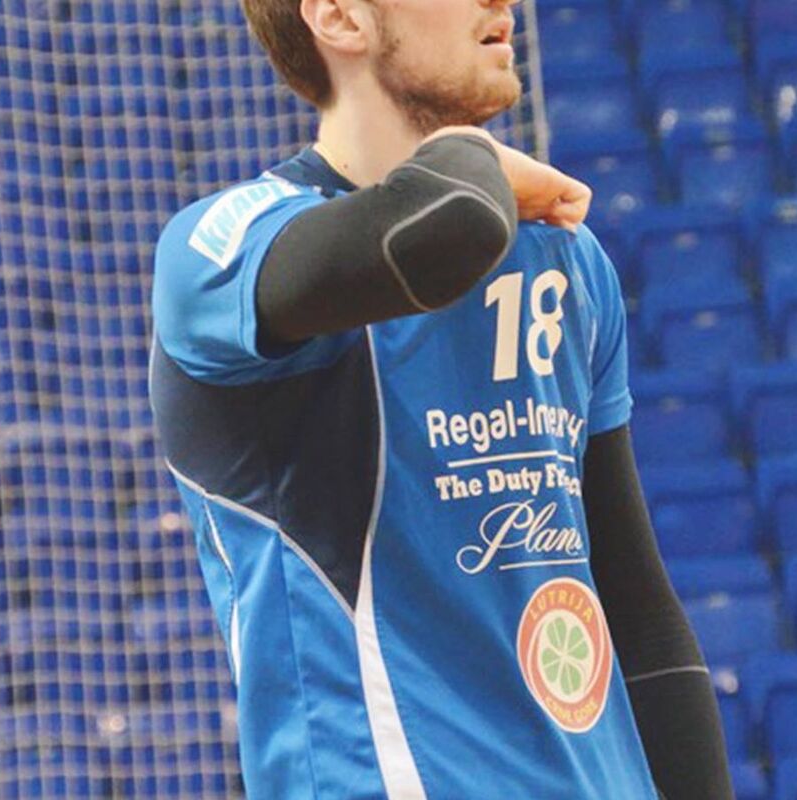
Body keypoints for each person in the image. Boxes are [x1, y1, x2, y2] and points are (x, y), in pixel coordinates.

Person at [148, 0, 732, 796]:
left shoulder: (564, 257)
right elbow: (434, 233)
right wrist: (475, 160)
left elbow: (638, 612)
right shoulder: (223, 247)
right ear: (339, 18)